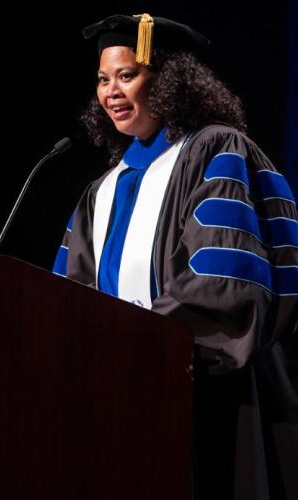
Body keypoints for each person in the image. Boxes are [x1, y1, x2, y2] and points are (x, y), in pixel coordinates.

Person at [53, 13, 298, 500]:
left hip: (202, 390)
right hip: (114, 402)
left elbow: (221, 279)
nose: (111, 92)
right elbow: (65, 299)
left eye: (127, 75)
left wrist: (134, 346)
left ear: (166, 81)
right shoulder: (100, 192)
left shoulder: (213, 150)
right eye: (104, 79)